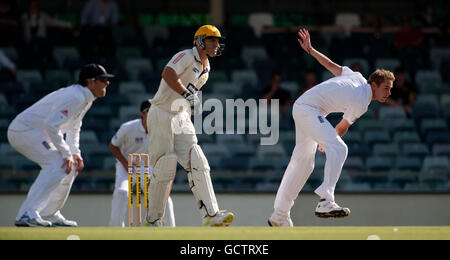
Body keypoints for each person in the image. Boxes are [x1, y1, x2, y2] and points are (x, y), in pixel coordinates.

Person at [268, 28, 395, 227]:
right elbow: (342, 127)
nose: (388, 93)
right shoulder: (363, 101)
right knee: (340, 148)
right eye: (386, 88)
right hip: (308, 109)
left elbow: (330, 65)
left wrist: (311, 50)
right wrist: (329, 140)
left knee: (304, 164)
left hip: (305, 108)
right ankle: (326, 200)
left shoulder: (357, 77)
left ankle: (280, 215)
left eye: (390, 89)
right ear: (374, 84)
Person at [145, 25, 234, 227]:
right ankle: (153, 220)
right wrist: (187, 95)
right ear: (200, 41)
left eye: (218, 41)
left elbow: (188, 94)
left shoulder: (207, 68)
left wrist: (188, 106)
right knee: (164, 165)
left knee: (198, 160)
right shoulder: (185, 55)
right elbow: (167, 73)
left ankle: (210, 215)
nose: (216, 44)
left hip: (180, 117)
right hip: (161, 113)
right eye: (212, 40)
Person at [7, 64, 114, 227]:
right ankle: (27, 214)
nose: (107, 83)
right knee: (58, 163)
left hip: (39, 133)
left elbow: (74, 126)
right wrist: (65, 153)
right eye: (104, 80)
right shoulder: (76, 97)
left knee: (69, 168)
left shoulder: (86, 99)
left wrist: (74, 152)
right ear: (91, 82)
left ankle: (48, 213)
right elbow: (51, 125)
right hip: (24, 131)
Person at [109, 100, 176, 227]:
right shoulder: (128, 127)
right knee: (122, 192)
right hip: (127, 166)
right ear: (142, 114)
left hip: (148, 166)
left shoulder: (161, 130)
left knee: (164, 198)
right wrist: (125, 163)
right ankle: (115, 228)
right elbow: (113, 146)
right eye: (149, 112)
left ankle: (170, 230)